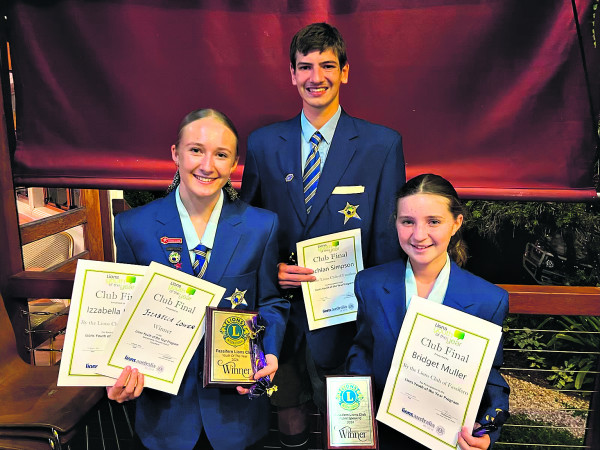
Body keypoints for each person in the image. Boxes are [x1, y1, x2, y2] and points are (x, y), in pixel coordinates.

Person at [241, 22, 405, 449]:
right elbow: (246, 227)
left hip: (348, 319)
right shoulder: (262, 144)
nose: (317, 77)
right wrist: (271, 271)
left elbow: (387, 241)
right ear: (292, 74)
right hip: (282, 315)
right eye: (305, 66)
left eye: (328, 66)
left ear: (345, 71)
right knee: (288, 411)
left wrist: (380, 317)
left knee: (349, 425)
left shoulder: (382, 145)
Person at [106, 109, 290, 449]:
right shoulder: (133, 227)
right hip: (165, 415)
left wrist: (270, 352)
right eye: (196, 150)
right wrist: (112, 373)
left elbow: (270, 301)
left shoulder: (261, 226)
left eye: (221, 154)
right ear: (175, 154)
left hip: (235, 414)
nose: (207, 165)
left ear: (234, 163)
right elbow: (123, 313)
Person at [346, 173, 510, 449]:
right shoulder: (369, 284)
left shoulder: (488, 300)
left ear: (456, 223)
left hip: (445, 439)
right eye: (407, 221)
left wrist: (487, 429)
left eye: (433, 221)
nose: (419, 235)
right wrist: (352, 409)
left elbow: (490, 377)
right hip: (382, 434)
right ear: (396, 223)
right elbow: (363, 349)